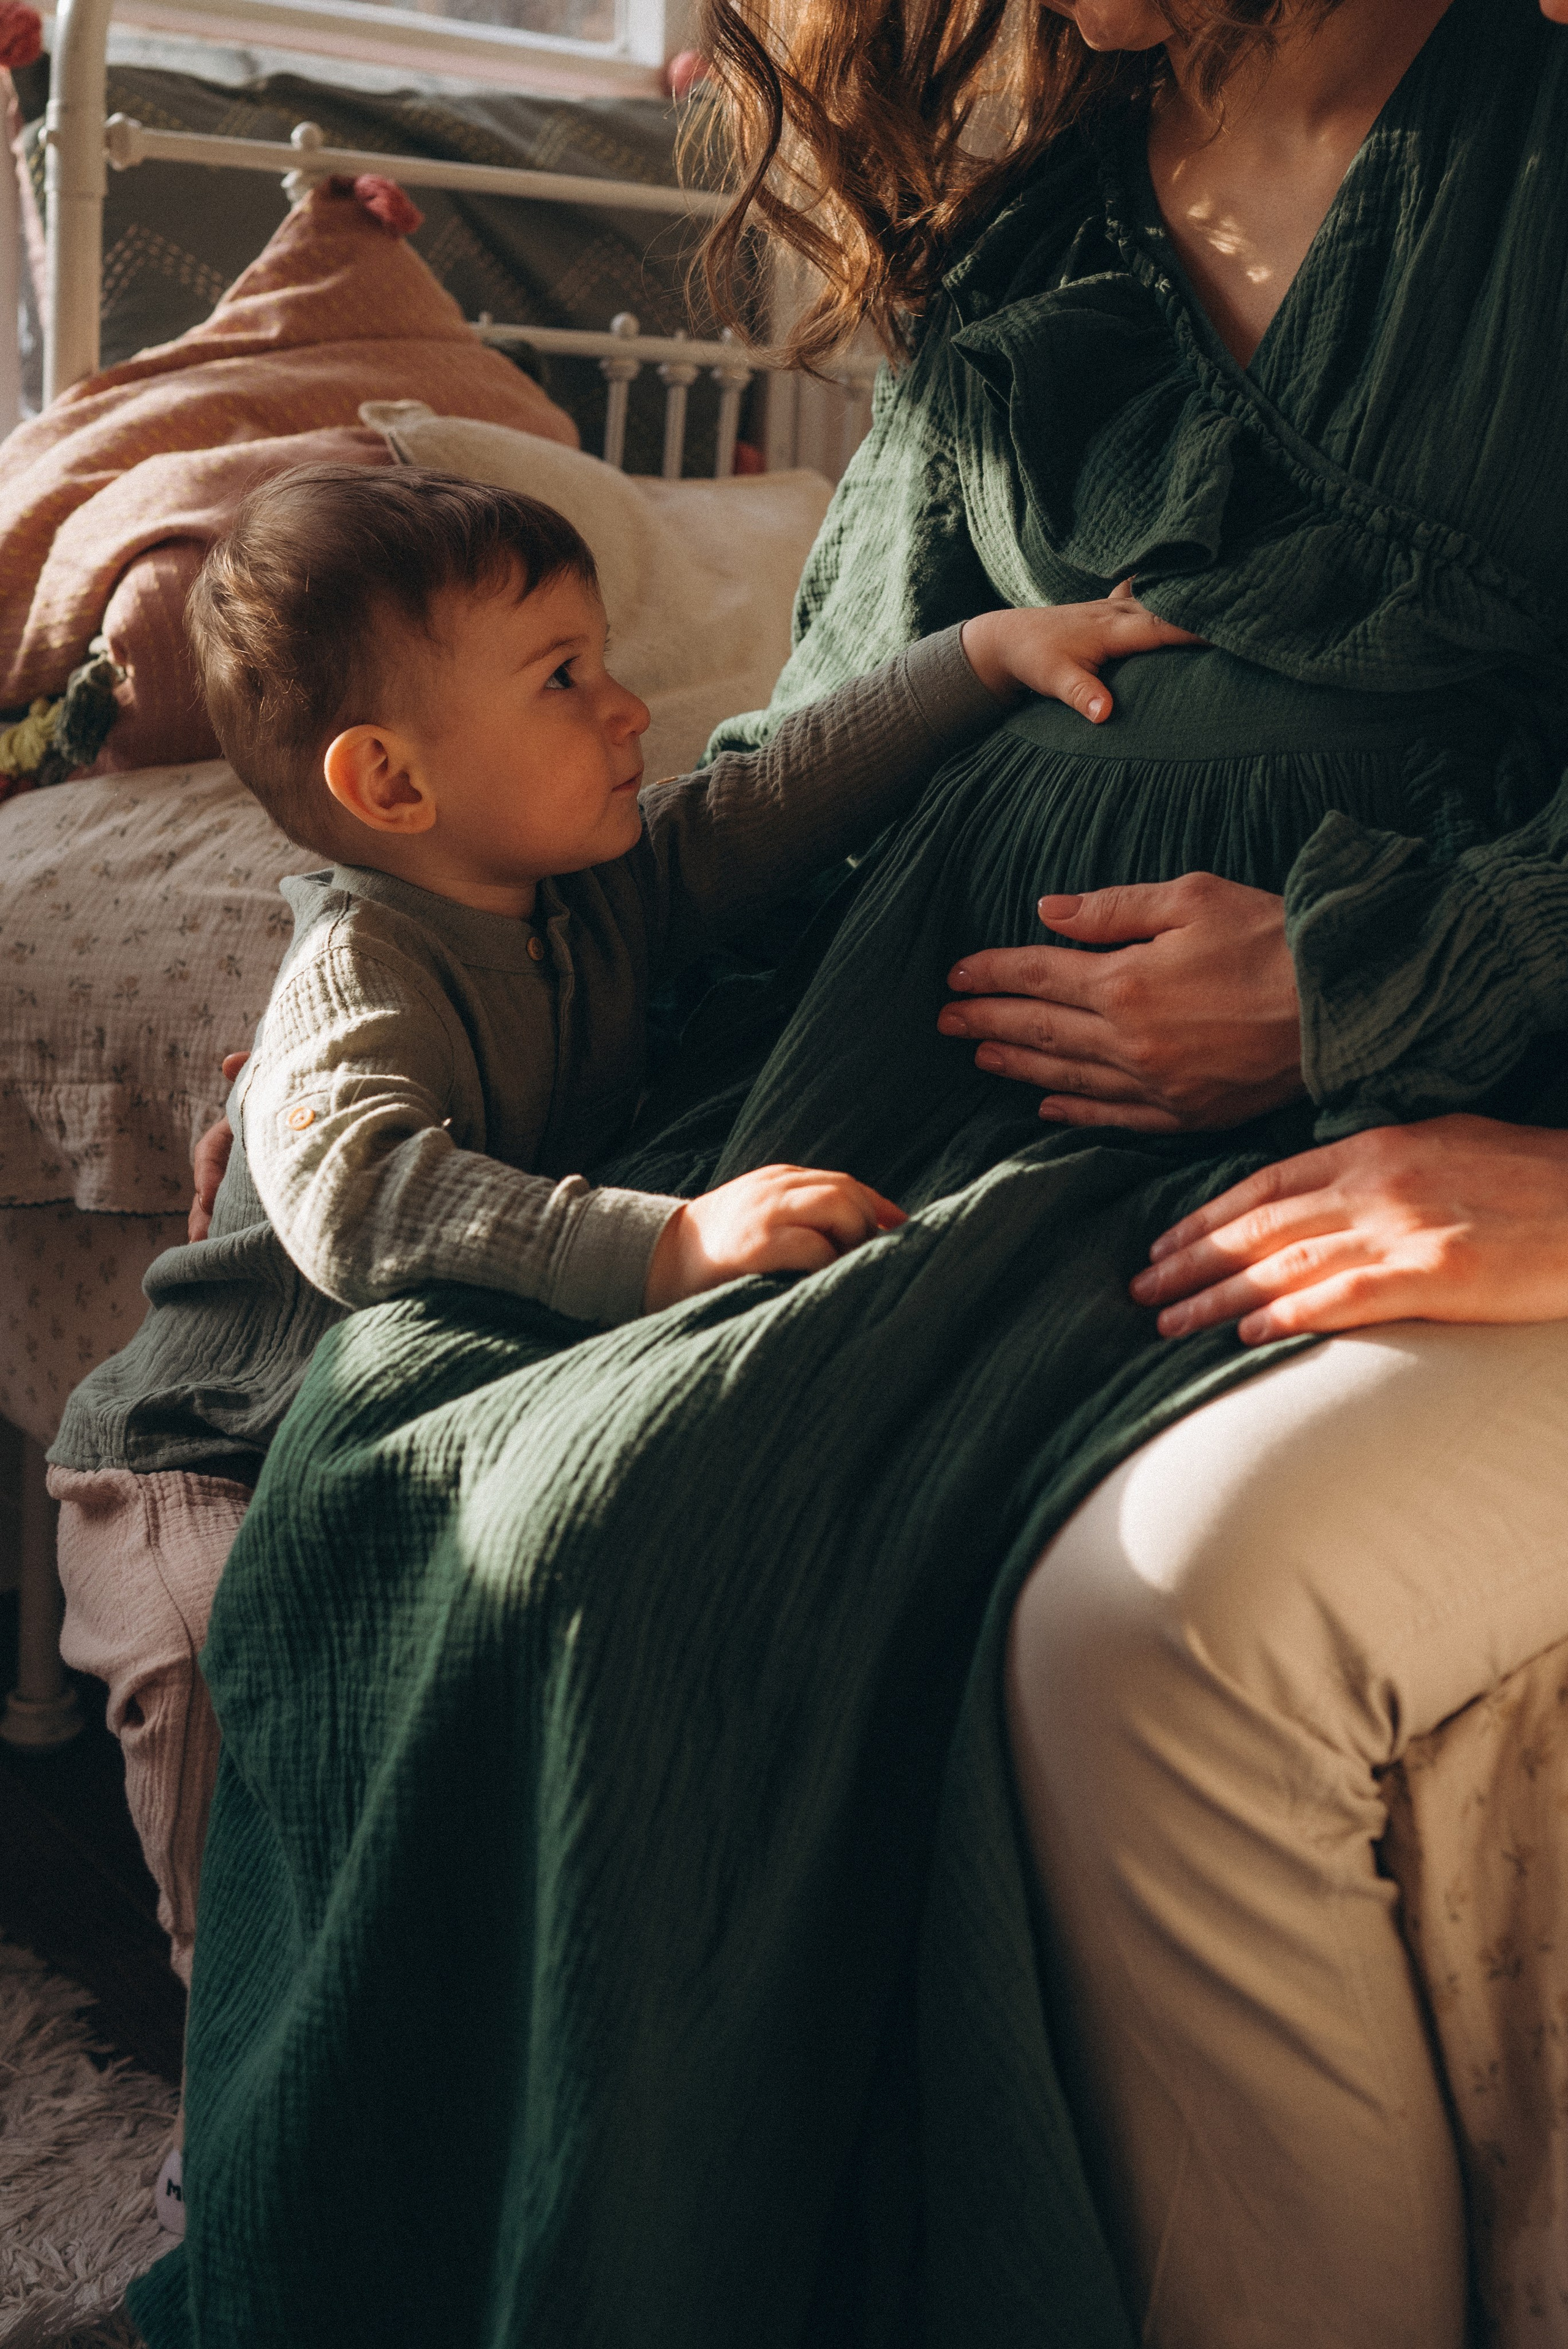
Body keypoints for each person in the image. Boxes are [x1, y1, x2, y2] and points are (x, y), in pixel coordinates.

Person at [127, 5, 1568, 2348]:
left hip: (1345, 1069)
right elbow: (818, 742)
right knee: (420, 1439)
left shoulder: (1530, 148)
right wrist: (506, 1039)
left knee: (694, 1542)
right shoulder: (1052, 213)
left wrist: (1352, 979)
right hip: (906, 1053)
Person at [42, 460, 1190, 2223]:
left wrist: (978, 654)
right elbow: (360, 1201)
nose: (629, 705)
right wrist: (662, 1242)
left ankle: (375, 2050)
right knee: (242, 1803)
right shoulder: (363, 965)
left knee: (389, 1783)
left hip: (335, 1441)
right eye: (561, 676)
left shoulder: (586, 895)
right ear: (389, 780)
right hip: (195, 1458)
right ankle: (240, 2121)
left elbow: (767, 801)